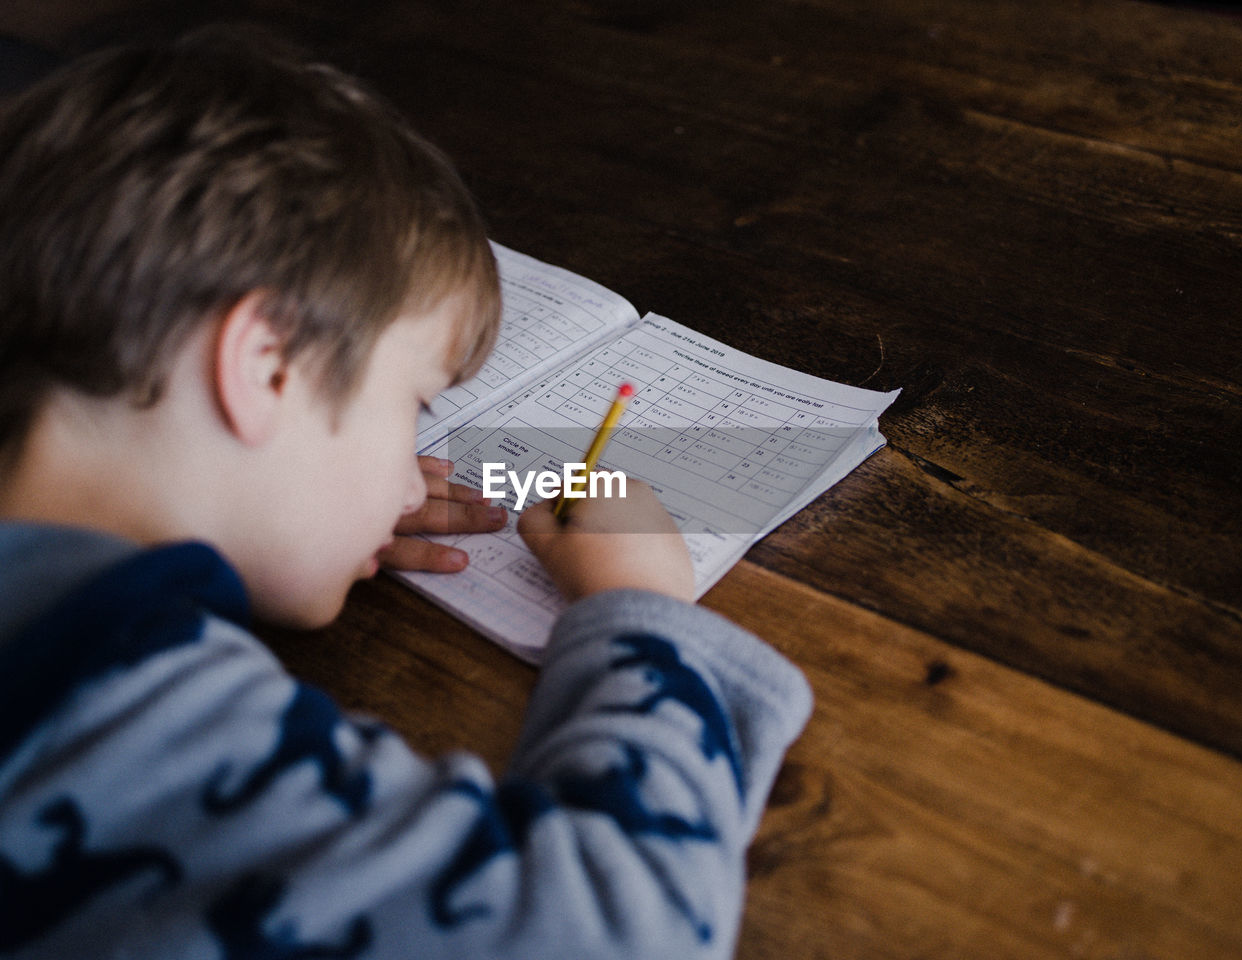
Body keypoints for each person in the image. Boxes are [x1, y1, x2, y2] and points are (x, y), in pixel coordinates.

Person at [0, 27, 812, 960]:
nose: (407, 474)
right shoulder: (115, 711)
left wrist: (282, 518)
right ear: (267, 367)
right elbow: (627, 932)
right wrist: (642, 612)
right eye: (413, 405)